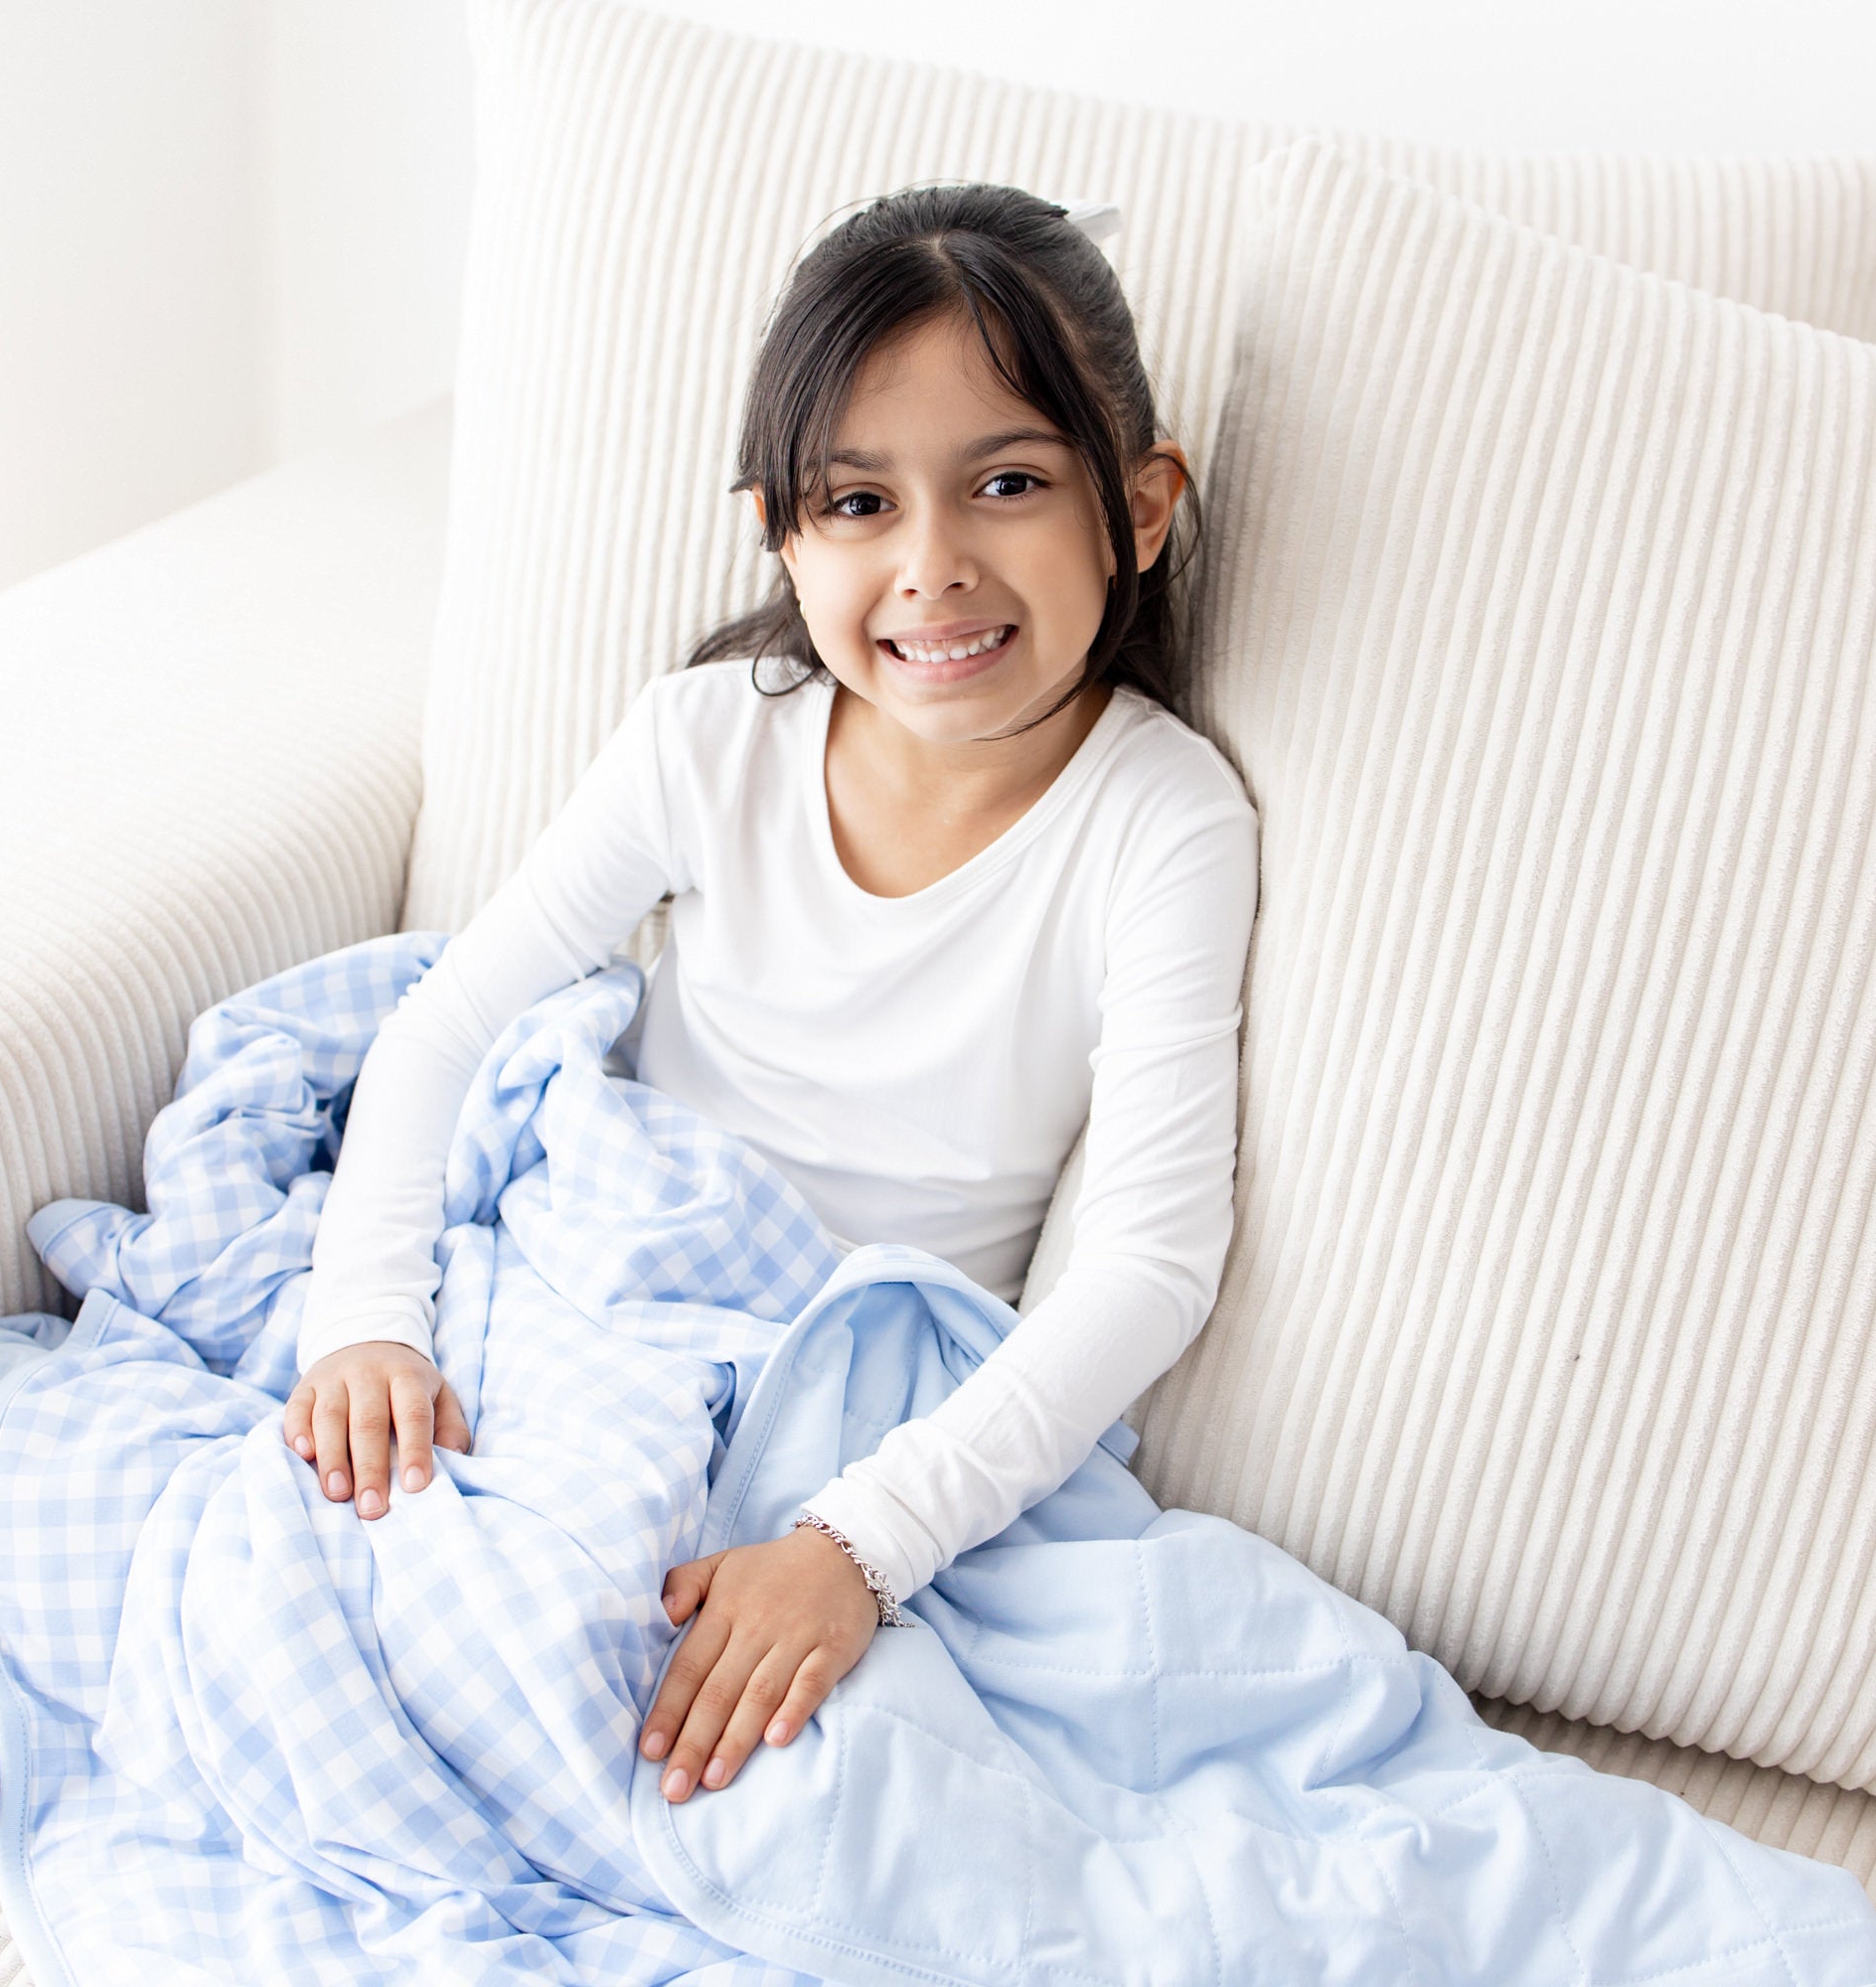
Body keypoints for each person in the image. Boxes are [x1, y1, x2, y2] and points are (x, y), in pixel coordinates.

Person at [281, 183, 1259, 1813]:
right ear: (780, 533)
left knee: (701, 1726)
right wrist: (366, 1315)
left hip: (850, 1384)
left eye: (1007, 484)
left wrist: (855, 1550)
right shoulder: (706, 739)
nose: (933, 569)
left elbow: (1150, 1263)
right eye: (859, 504)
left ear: (1141, 507)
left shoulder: (1162, 820)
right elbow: (456, 1018)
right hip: (603, 1279)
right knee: (391, 1566)